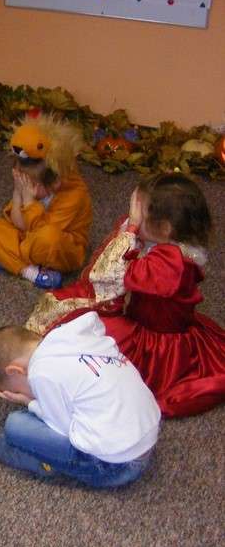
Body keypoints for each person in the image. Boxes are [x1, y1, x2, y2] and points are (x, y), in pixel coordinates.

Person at [26, 173, 225, 417]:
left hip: (155, 345)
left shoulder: (170, 264)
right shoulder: (164, 246)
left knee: (89, 342)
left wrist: (131, 229)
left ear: (164, 228)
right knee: (77, 317)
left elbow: (110, 273)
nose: (133, 217)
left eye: (140, 213)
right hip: (142, 317)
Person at [0, 312, 160, 488]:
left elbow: (64, 429)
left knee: (14, 426)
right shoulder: (70, 339)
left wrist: (29, 403)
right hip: (148, 433)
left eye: (16, 389)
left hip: (117, 467)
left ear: (15, 371)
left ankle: (48, 464)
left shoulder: (40, 373)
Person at [0, 113, 91, 288]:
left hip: (60, 249)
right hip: (29, 238)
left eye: (30, 183)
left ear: (55, 182)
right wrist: (18, 194)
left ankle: (12, 261)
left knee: (48, 237)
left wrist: (30, 202)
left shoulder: (75, 195)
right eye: (22, 181)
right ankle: (31, 271)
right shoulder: (30, 185)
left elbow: (44, 232)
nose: (26, 186)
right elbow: (18, 224)